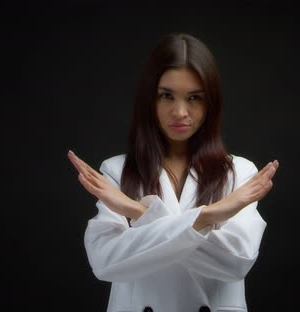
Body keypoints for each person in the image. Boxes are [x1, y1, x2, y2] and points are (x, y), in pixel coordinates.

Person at [67, 33, 279, 312]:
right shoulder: (117, 170)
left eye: (194, 98)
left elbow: (235, 262)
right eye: (167, 96)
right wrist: (210, 216)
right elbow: (105, 263)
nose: (180, 112)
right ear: (149, 100)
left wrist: (139, 213)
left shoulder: (239, 172)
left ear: (210, 103)